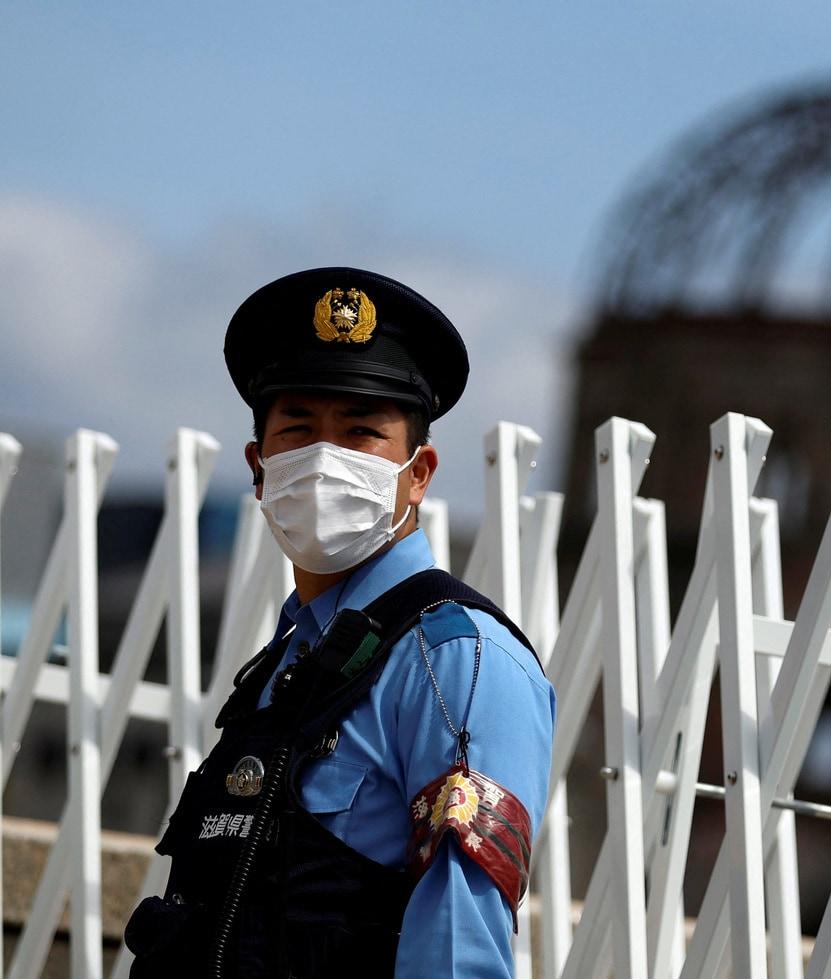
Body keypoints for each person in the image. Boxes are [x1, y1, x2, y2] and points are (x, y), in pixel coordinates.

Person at [124, 267, 555, 978]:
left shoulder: (456, 659)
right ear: (259, 467)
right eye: (298, 429)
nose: (325, 458)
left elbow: (455, 950)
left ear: (418, 473)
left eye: (361, 432)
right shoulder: (290, 659)